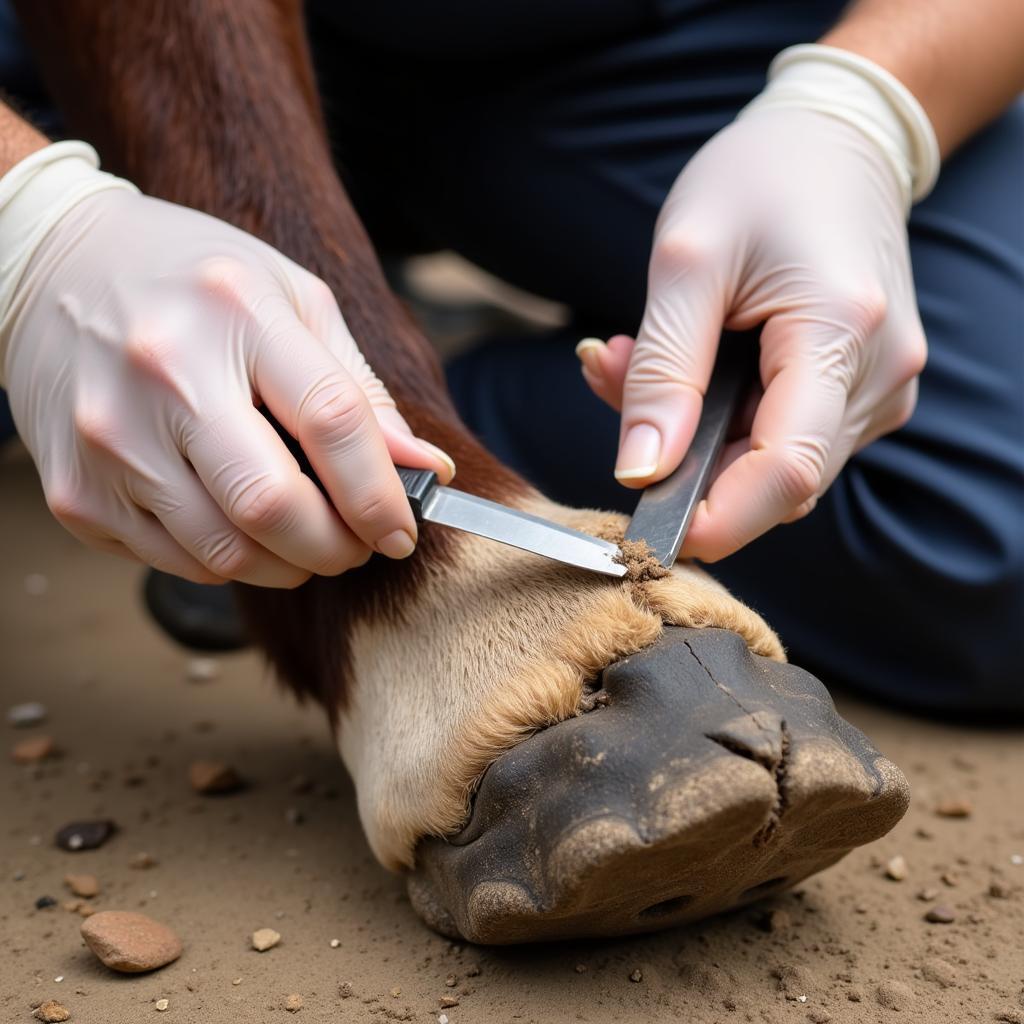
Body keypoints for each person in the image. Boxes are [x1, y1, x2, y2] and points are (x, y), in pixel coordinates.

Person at [1, 0, 1021, 712]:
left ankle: (379, 410)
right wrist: (33, 230)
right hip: (88, 52)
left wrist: (865, 108)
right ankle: (243, 421)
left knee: (983, 525)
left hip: (647, 40)